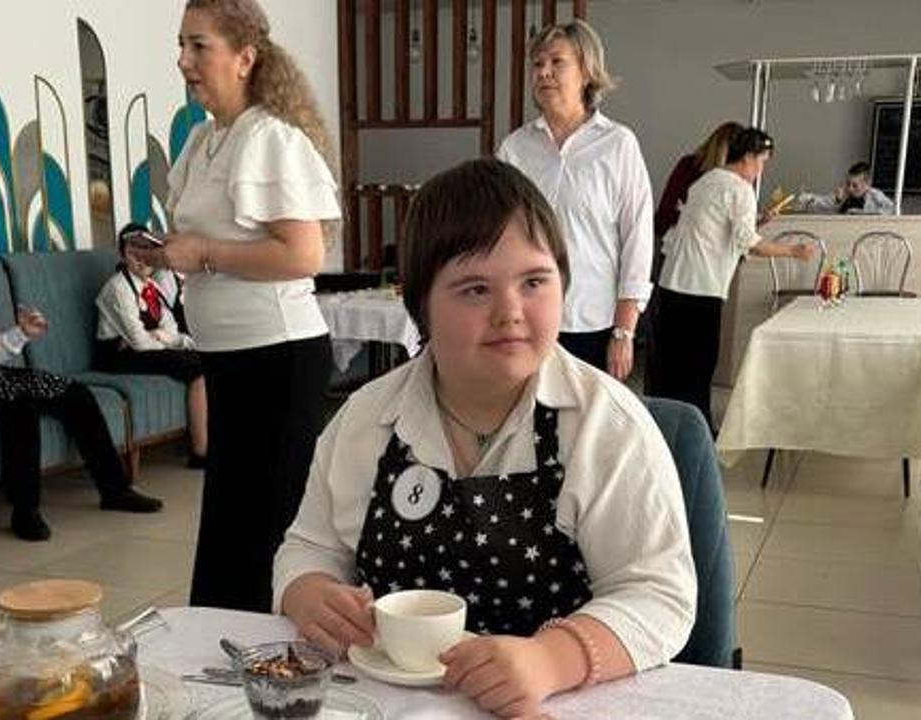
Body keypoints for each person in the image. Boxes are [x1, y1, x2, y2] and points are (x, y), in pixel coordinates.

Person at [273, 159, 696, 718]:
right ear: (420, 305)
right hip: (384, 703)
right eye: (475, 289)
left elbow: (658, 594)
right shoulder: (366, 419)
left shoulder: (605, 426)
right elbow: (309, 546)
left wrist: (551, 659)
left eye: (534, 282)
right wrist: (307, 591)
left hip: (552, 702)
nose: (510, 312)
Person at [136, 0, 340, 612]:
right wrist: (167, 251)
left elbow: (303, 254)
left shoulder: (270, 138)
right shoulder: (205, 140)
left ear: (245, 58)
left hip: (277, 357)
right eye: (181, 45)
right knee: (230, 519)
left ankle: (272, 652)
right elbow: (214, 240)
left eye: (199, 46)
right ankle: (218, 643)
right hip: (229, 356)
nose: (183, 60)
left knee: (266, 526)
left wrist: (201, 253)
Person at [0, 221, 163, 541]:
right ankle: (25, 511)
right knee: (21, 405)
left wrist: (21, 334)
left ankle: (115, 489)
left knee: (74, 392)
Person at [497, 20, 652, 382]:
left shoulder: (618, 144)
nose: (544, 72)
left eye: (557, 62)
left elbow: (638, 238)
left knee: (588, 417)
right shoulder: (514, 149)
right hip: (527, 320)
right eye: (538, 64)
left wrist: (624, 331)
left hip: (593, 322)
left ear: (586, 71)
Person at [647, 128, 816, 428]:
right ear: (748, 157)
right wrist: (793, 251)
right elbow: (749, 243)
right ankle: (696, 433)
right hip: (702, 290)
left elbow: (717, 230)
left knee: (670, 367)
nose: (761, 170)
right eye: (761, 162)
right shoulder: (740, 189)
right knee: (698, 368)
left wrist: (757, 221)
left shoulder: (705, 181)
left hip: (672, 285)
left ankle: (663, 429)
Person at [95, 225, 207, 467]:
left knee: (209, 359)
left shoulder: (152, 287)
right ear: (122, 255)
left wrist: (164, 337)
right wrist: (161, 339)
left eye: (146, 250)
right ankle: (200, 452)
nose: (141, 258)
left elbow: (171, 330)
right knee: (197, 370)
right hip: (117, 356)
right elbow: (139, 342)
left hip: (141, 349)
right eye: (133, 252)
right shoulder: (117, 288)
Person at [652, 121, 744, 279]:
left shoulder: (690, 166)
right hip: (684, 253)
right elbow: (665, 215)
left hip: (685, 253)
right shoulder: (699, 170)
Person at [799, 161, 894, 215]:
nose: (850, 188)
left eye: (855, 185)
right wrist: (837, 201)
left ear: (867, 184)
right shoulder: (844, 193)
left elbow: (892, 209)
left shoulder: (875, 195)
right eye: (848, 184)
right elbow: (822, 204)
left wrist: (862, 213)